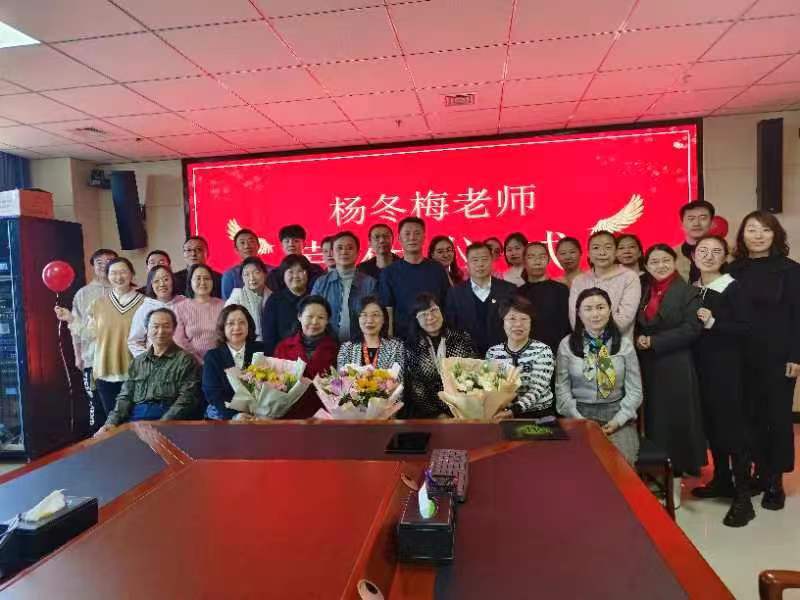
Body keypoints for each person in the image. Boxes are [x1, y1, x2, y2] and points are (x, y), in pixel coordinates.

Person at [728, 211, 800, 511]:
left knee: (778, 419)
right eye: (751, 230)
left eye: (765, 230)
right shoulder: (733, 270)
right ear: (742, 236)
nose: (758, 236)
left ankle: (774, 481)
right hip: (740, 357)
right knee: (749, 419)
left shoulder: (791, 270)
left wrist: (796, 355)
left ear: (775, 235)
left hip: (778, 357)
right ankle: (757, 471)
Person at [689, 235, 754, 527]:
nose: (709, 255)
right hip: (699, 369)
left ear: (725, 257)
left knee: (732, 431)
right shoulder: (693, 288)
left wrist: (713, 322)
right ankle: (721, 481)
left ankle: (743, 498)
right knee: (713, 427)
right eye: (703, 250)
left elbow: (746, 328)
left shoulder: (733, 287)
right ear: (693, 256)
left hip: (727, 370)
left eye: (716, 251)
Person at [636, 244, 706, 507]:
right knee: (653, 421)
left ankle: (674, 482)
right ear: (646, 265)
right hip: (647, 364)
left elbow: (692, 329)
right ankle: (654, 474)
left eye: (665, 260)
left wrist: (654, 341)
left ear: (675, 262)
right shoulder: (643, 289)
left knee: (674, 422)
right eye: (654, 261)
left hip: (675, 364)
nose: (660, 265)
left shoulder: (688, 292)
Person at [555, 288, 642, 465]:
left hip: (617, 414)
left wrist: (618, 420)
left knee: (621, 463)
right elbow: (562, 390)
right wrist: (579, 418)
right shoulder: (567, 344)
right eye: (588, 309)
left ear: (610, 310)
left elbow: (635, 390)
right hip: (578, 414)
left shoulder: (624, 345)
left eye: (600, 307)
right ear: (579, 313)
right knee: (578, 464)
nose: (595, 314)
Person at [55, 257, 145, 427]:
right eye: (114, 273)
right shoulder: (97, 304)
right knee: (112, 423)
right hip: (105, 371)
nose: (118, 277)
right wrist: (70, 319)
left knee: (136, 422)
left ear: (132, 274)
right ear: (108, 276)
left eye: (123, 272)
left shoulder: (145, 303)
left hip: (136, 372)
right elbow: (90, 334)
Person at [95, 308, 200, 434]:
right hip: (136, 419)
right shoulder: (138, 362)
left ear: (174, 329)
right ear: (147, 329)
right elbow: (125, 396)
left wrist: (162, 425)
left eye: (166, 326)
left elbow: (187, 399)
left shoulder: (186, 360)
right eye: (155, 326)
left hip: (167, 418)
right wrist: (111, 423)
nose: (160, 331)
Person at [403, 293, 478, 418]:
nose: (430, 317)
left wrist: (462, 408)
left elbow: (474, 373)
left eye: (434, 310)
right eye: (423, 315)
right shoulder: (411, 347)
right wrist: (437, 414)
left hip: (465, 409)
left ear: (442, 311)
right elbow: (417, 387)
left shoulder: (462, 338)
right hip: (428, 415)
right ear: (416, 320)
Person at [379, 217, 450, 340]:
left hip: (436, 337)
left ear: (424, 237)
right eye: (407, 234)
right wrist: (390, 341)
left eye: (417, 233)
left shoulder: (437, 269)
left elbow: (447, 304)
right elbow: (388, 310)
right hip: (403, 339)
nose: (412, 238)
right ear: (399, 239)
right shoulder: (389, 272)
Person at [486, 296, 555, 419]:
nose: (518, 324)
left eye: (524, 319)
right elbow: (492, 387)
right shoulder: (493, 353)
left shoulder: (543, 350)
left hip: (538, 414)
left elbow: (537, 390)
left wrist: (513, 411)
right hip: (501, 413)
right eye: (512, 318)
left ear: (531, 323)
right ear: (503, 322)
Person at [67, 248, 116, 414]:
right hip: (92, 358)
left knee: (120, 406)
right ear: (93, 266)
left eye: (109, 261)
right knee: (96, 406)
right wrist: (78, 355)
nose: (104, 266)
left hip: (121, 359)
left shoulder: (125, 290)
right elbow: (75, 327)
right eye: (99, 262)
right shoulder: (83, 294)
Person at [273, 295, 339, 419]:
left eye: (321, 317)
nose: (314, 322)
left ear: (327, 321)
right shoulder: (283, 347)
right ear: (299, 316)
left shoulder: (336, 349)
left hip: (323, 417)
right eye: (310, 316)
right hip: (289, 414)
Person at [444, 242, 516, 355]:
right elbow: (451, 327)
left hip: (502, 354)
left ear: (492, 261)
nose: (480, 264)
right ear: (467, 264)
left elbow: (515, 322)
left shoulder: (508, 290)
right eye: (475, 260)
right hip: (467, 357)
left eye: (484, 259)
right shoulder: (455, 293)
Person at [569, 231, 641, 339]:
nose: (602, 253)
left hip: (619, 344)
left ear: (616, 251)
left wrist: (598, 338)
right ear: (588, 253)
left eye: (608, 247)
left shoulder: (629, 277)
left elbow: (625, 317)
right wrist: (588, 339)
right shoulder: (579, 281)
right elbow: (574, 316)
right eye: (596, 248)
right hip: (585, 343)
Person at [311, 231, 377, 343]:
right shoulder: (321, 283)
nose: (344, 252)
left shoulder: (370, 283)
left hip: (360, 345)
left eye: (350, 248)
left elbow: (375, 317)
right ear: (332, 252)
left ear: (358, 253)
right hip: (327, 345)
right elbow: (312, 313)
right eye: (339, 248)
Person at [202, 304, 265, 420]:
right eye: (231, 323)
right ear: (223, 327)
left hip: (260, 415)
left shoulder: (262, 350)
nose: (237, 327)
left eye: (242, 322)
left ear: (249, 326)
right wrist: (234, 416)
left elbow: (271, 385)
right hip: (226, 417)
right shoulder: (213, 357)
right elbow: (213, 393)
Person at [516, 242, 570, 356]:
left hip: (558, 352)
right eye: (531, 257)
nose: (537, 261)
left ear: (549, 260)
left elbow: (567, 326)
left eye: (542, 256)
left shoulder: (561, 290)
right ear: (524, 262)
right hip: (526, 354)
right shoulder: (517, 293)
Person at [128, 265, 185, 357]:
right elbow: (134, 342)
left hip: (185, 361)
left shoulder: (185, 303)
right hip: (157, 362)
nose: (162, 284)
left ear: (172, 281)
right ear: (151, 284)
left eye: (166, 279)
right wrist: (149, 361)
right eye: (156, 281)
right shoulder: (145, 308)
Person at [173, 263, 224, 364]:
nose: (203, 282)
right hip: (191, 363)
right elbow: (179, 341)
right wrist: (199, 361)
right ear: (190, 282)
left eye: (207, 278)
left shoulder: (223, 305)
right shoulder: (179, 308)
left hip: (221, 360)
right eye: (198, 278)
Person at [262, 254, 313, 354]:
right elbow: (269, 337)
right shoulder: (274, 301)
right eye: (290, 272)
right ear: (283, 275)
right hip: (282, 357)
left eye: (300, 271)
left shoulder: (314, 298)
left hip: (311, 355)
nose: (296, 276)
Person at [337, 296, 404, 371]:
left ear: (384, 319)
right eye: (364, 315)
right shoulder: (346, 349)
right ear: (357, 319)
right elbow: (342, 377)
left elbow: (398, 377)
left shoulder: (396, 347)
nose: (369, 320)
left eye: (375, 315)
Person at [226, 256, 271, 341]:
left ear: (265, 274)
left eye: (256, 272)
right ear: (242, 278)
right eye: (246, 274)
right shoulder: (237, 297)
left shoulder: (273, 297)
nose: (252, 278)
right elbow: (228, 325)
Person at [266, 224, 324, 291]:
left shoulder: (316, 270)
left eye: (296, 241)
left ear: (304, 244)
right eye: (287, 241)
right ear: (282, 245)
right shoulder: (274, 275)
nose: (291, 244)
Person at [674, 200, 716, 283]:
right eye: (691, 219)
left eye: (703, 218)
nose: (696, 223)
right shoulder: (671, 255)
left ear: (712, 223)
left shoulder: (726, 254)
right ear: (681, 224)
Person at [221, 228, 264, 299]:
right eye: (242, 243)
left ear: (258, 246)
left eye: (251, 241)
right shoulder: (230, 275)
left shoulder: (272, 271)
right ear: (236, 249)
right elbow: (227, 303)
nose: (247, 246)